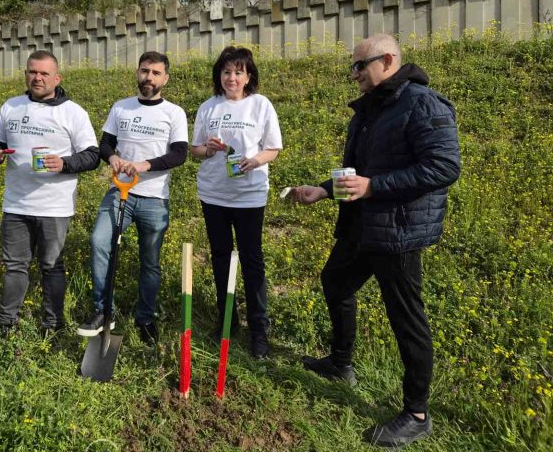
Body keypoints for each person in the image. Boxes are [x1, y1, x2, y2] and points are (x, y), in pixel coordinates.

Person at [289, 33, 461, 447]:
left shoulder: (422, 103)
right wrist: (324, 190)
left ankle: (417, 414)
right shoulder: (372, 108)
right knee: (335, 281)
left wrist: (374, 187)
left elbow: (444, 166)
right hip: (363, 225)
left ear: (386, 60)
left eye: (359, 66)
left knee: (406, 318)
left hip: (398, 230)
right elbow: (360, 171)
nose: (353, 74)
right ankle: (341, 363)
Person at [0, 50, 99, 338]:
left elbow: (92, 156)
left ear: (57, 78)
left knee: (51, 266)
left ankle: (53, 326)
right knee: (14, 267)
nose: (37, 78)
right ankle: (6, 325)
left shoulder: (73, 112)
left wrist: (64, 164)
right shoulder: (11, 106)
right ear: (26, 74)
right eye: (32, 72)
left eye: (44, 73)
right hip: (16, 204)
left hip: (54, 207)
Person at [76, 51, 188, 344]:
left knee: (150, 261)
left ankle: (146, 318)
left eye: (155, 73)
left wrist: (144, 165)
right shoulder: (121, 107)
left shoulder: (174, 113)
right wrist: (113, 158)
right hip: (120, 192)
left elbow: (179, 154)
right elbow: (105, 144)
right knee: (99, 242)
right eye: (144, 71)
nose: (149, 77)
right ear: (137, 73)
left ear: (165, 78)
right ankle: (104, 311)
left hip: (154, 199)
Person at [190, 46, 282, 360]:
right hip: (214, 194)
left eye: (238, 72)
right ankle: (227, 319)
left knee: (252, 260)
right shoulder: (209, 107)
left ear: (248, 76)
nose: (231, 77)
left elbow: (273, 148)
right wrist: (208, 149)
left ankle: (259, 329)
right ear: (219, 75)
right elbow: (195, 150)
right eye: (226, 71)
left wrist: (254, 161)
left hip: (249, 196)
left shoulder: (261, 105)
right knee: (221, 257)